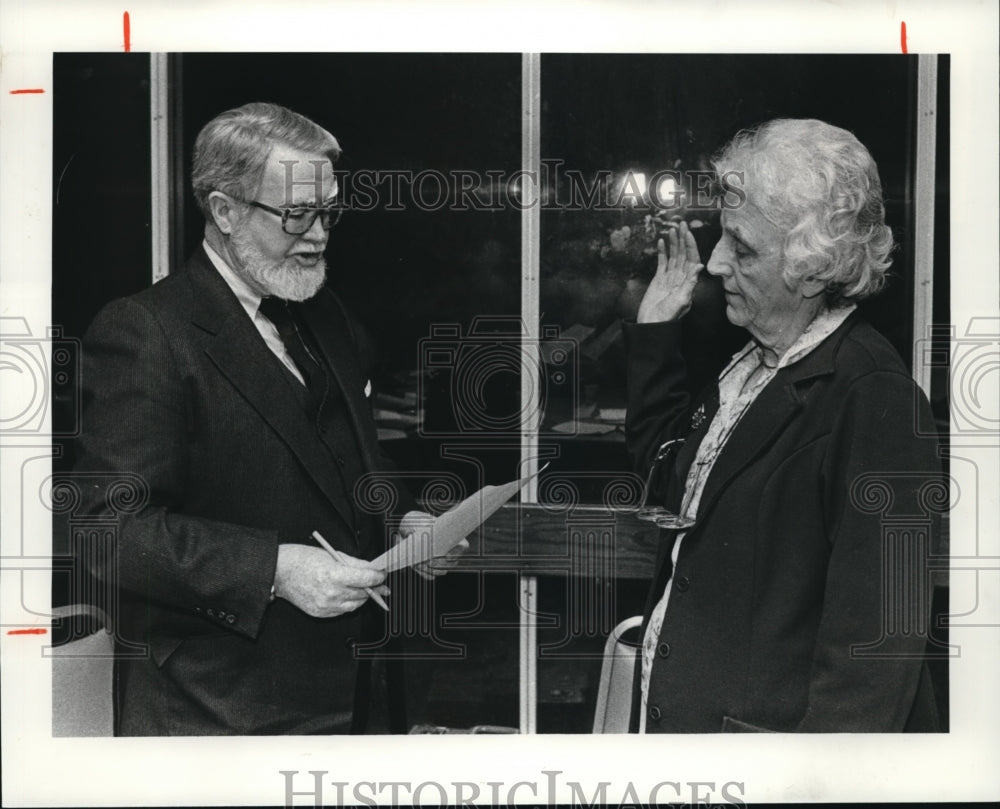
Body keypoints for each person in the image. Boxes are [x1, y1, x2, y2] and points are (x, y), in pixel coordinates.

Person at [73, 102, 464, 735]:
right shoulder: (147, 331)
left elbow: (350, 460)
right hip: (217, 712)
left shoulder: (323, 312)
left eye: (328, 212)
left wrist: (406, 521)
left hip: (356, 695)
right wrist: (275, 572)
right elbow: (107, 529)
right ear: (224, 211)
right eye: (295, 215)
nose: (317, 235)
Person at [624, 118, 943, 732]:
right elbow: (671, 483)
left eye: (741, 248)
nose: (716, 263)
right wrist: (657, 332)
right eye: (723, 236)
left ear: (814, 266)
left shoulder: (874, 400)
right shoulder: (752, 367)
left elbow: (876, 655)